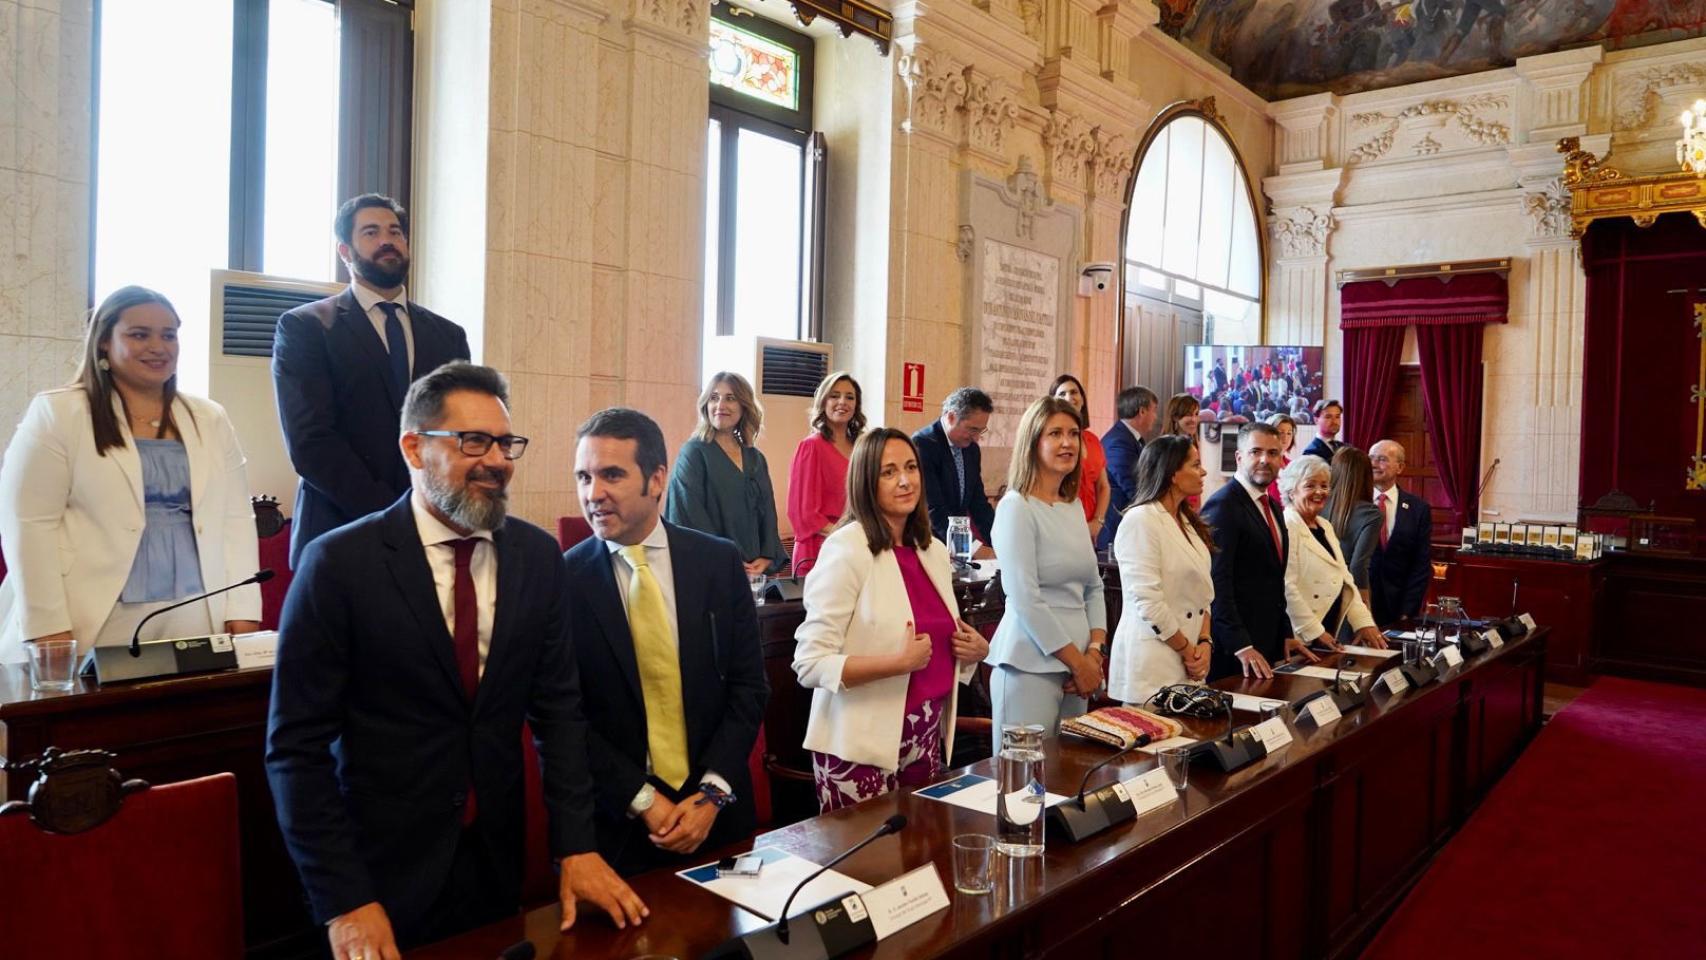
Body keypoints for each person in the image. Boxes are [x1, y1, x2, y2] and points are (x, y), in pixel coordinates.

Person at [266, 363, 644, 958]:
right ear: (414, 448)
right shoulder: (339, 564)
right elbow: (296, 750)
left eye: (505, 442)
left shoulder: (538, 558)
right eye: (473, 441)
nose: (497, 460)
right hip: (378, 876)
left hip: (495, 866)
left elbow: (559, 715)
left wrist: (576, 845)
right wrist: (342, 900)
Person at [0, 286, 261, 664]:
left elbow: (236, 519)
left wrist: (243, 610)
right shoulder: (59, 413)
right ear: (105, 342)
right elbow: (28, 525)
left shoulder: (209, 417)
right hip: (92, 612)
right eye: (140, 334)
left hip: (196, 609)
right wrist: (47, 627)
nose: (158, 346)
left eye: (169, 335)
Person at [564, 408, 769, 875]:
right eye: (583, 477)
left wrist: (712, 794)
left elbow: (749, 688)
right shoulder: (563, 580)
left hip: (720, 817)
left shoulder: (717, 563)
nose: (593, 494)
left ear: (656, 479)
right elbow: (564, 718)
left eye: (611, 475)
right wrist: (642, 799)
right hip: (619, 830)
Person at [793, 428, 990, 811]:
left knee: (920, 859)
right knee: (868, 865)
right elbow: (810, 664)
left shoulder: (931, 549)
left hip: (926, 735)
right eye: (888, 472)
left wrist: (973, 651)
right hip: (859, 744)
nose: (905, 480)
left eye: (911, 467)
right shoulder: (846, 549)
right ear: (866, 480)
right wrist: (896, 664)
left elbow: (939, 645)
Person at [273, 193, 472, 566]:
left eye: (395, 232)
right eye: (371, 232)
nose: (387, 241)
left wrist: (433, 512)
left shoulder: (448, 336)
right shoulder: (305, 328)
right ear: (345, 251)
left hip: (432, 533)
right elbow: (310, 441)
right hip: (339, 531)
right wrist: (394, 514)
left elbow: (458, 431)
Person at [987, 397, 1107, 736]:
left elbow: (1094, 587)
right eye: (1055, 433)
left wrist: (1094, 654)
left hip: (1080, 668)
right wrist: (1077, 662)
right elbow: (1026, 598)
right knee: (1024, 782)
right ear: (1033, 442)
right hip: (1030, 664)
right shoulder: (1016, 507)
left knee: (1066, 779)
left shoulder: (1071, 507)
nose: (1068, 442)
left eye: (1073, 433)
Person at [1201, 422, 1318, 680]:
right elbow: (1216, 584)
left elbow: (1275, 581)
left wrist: (1285, 634)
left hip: (1267, 643)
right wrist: (1240, 645)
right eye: (1256, 452)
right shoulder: (1223, 506)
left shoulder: (1273, 507)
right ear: (1239, 457)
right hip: (1235, 652)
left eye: (1273, 453)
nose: (1265, 460)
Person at [1106, 435, 1215, 706]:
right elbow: (1148, 602)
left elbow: (1203, 595)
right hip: (1153, 662)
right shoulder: (1141, 520)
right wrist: (1188, 651)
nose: (1203, 471)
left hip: (1189, 660)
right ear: (1173, 473)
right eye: (1195, 464)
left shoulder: (1186, 520)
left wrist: (1205, 642)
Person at [664, 372, 787, 576]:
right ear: (706, 405)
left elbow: (768, 512)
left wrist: (766, 557)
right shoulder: (693, 453)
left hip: (754, 572)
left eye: (730, 398)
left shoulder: (756, 458)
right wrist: (727, 560)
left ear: (744, 406)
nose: (720, 405)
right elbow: (688, 516)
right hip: (710, 570)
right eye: (714, 397)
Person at [1277, 457, 1386, 653]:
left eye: (1324, 486)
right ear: (1291, 491)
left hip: (1326, 629)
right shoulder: (1287, 525)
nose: (1319, 492)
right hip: (1299, 636)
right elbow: (1286, 586)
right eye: (1310, 485)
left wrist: (1364, 622)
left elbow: (1346, 579)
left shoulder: (1324, 525)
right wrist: (1315, 631)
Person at [786, 372, 864, 577]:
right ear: (823, 401)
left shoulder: (861, 447)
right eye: (834, 395)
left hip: (855, 548)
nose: (842, 402)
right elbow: (803, 513)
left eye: (850, 397)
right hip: (819, 550)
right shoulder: (811, 446)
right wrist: (847, 536)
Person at [912, 387, 997, 554]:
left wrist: (1001, 542)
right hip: (929, 544)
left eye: (981, 430)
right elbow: (934, 510)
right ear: (951, 417)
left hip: (957, 546)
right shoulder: (923, 444)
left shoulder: (971, 449)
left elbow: (978, 504)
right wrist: (970, 549)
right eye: (973, 429)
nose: (977, 437)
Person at [1368, 440, 1433, 625]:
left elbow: (1420, 565)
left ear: (1400, 467)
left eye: (1382, 459)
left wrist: (1408, 610)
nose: (1373, 464)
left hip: (1398, 608)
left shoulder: (1418, 509)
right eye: (1371, 458)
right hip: (1359, 606)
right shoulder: (1354, 503)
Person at [1051, 374, 1112, 544]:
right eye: (1062, 394)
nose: (1069, 397)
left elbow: (1103, 485)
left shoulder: (1093, 440)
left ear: (1082, 399)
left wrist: (1097, 522)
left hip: (1092, 530)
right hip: (1062, 528)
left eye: (1074, 392)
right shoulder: (1049, 441)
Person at [1325, 446, 1382, 622]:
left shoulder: (1317, 503)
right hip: (1347, 590)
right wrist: (1365, 603)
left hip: (1316, 587)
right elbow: (1359, 564)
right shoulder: (1371, 513)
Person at [1099, 386, 1158, 553]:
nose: (1156, 417)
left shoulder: (1133, 439)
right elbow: (1134, 487)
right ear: (1142, 412)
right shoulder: (1119, 441)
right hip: (1117, 530)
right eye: (1154, 411)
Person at [1265, 412, 1297, 502]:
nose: (1285, 437)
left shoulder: (1292, 465)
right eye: (1280, 432)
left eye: (1289, 433)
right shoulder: (1264, 463)